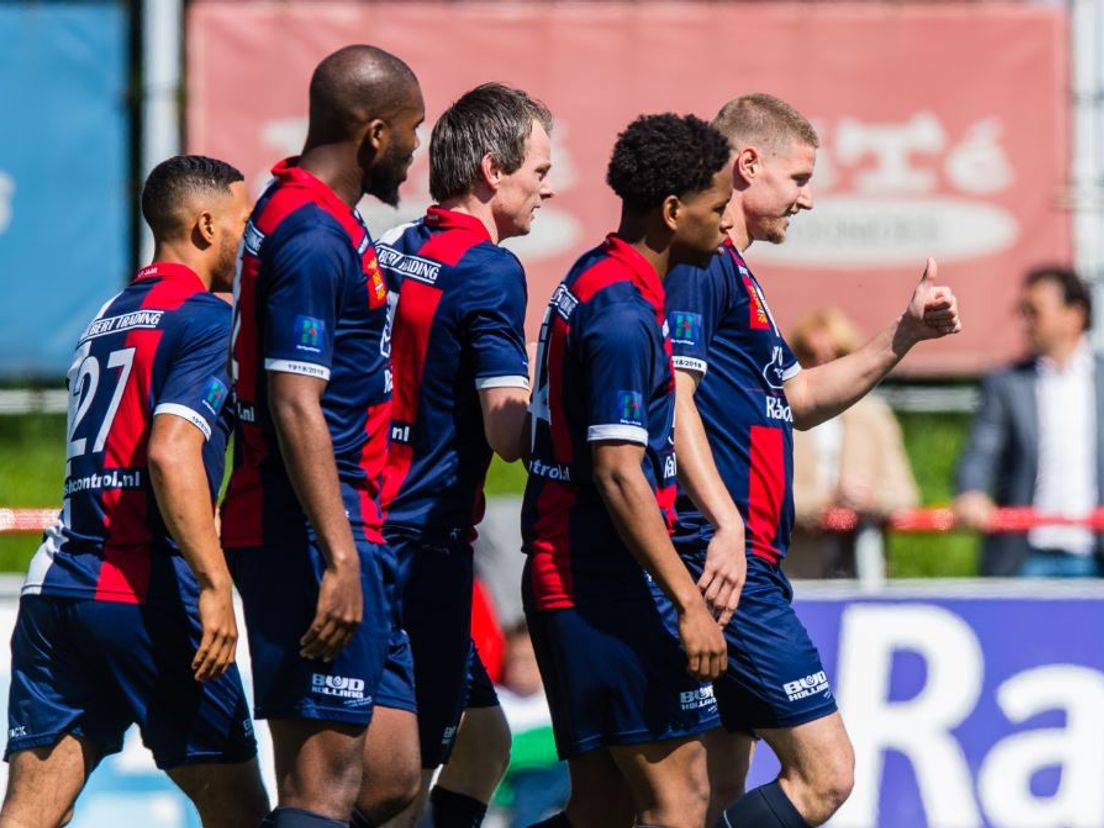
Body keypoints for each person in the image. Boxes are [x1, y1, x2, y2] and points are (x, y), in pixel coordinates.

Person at [663, 93, 961, 828]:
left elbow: (796, 399)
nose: (807, 197)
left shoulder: (741, 278)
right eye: (798, 179)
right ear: (747, 165)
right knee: (826, 775)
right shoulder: (701, 267)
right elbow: (672, 400)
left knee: (714, 793)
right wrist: (725, 523)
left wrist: (906, 332)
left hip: (744, 561)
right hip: (722, 565)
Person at [1, 155, 268, 827]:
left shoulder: (108, 314)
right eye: (245, 222)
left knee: (29, 816)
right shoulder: (207, 318)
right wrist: (214, 583)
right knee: (241, 811)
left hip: (56, 591)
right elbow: (171, 451)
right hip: (144, 595)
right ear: (207, 226)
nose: (254, 238)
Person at [220, 45, 425, 828]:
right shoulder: (310, 232)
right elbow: (295, 401)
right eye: (411, 132)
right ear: (374, 135)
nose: (415, 151)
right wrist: (338, 554)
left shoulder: (311, 213)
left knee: (392, 776)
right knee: (324, 790)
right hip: (307, 529)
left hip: (349, 521)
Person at [522, 113, 733, 828]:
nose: (726, 226)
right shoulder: (620, 314)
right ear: (674, 212)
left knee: (602, 809)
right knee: (682, 799)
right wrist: (687, 602)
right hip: (600, 583)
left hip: (575, 576)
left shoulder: (600, 274)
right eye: (718, 209)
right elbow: (618, 474)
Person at [373, 82, 553, 828]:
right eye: (539, 171)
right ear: (492, 170)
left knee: (484, 745)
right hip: (423, 544)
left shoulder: (396, 247)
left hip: (373, 520)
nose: (548, 187)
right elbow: (509, 435)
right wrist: (597, 414)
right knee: (397, 792)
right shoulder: (489, 269)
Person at [955, 266, 1104, 577]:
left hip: (1094, 552)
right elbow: (982, 449)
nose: (1024, 323)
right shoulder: (1007, 383)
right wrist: (972, 491)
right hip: (1026, 555)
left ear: (1074, 314)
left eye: (1033, 312)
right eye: (1022, 311)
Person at [787, 308, 919, 578]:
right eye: (810, 355)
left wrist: (871, 498)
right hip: (796, 571)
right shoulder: (777, 418)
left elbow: (905, 495)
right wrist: (827, 499)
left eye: (838, 354)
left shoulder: (874, 416)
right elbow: (763, 497)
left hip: (863, 567)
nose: (824, 363)